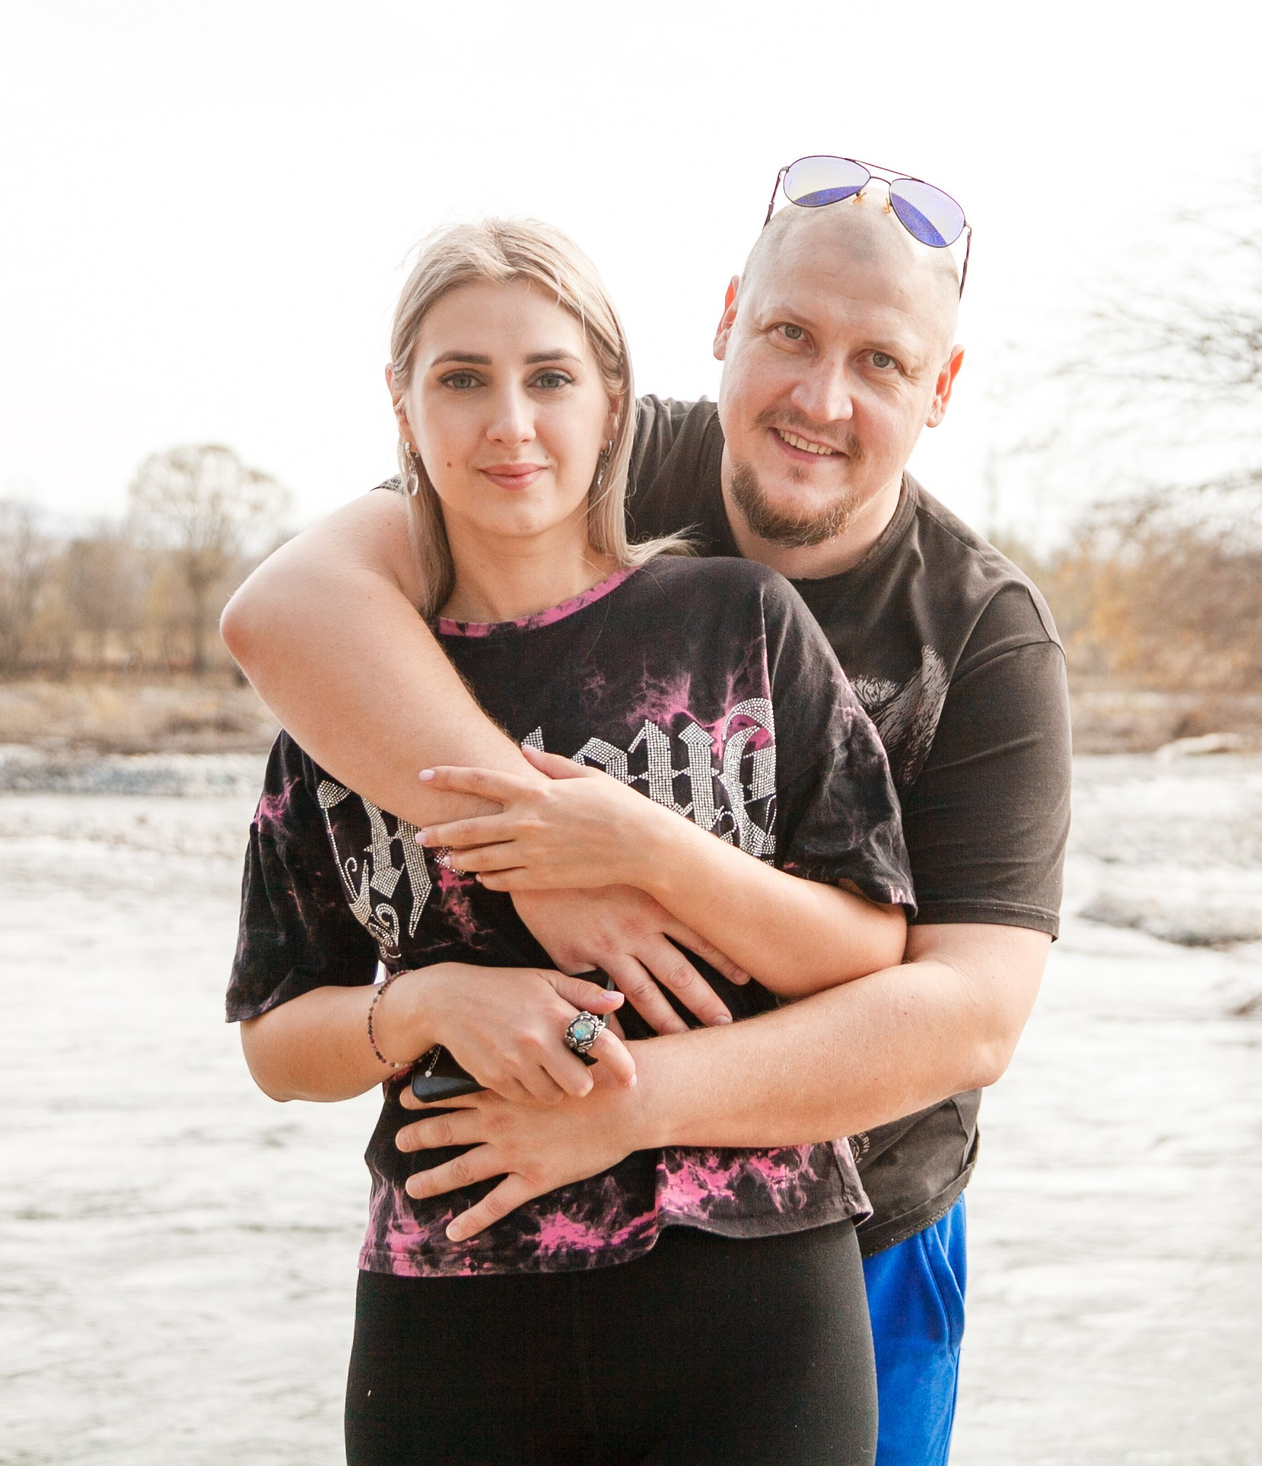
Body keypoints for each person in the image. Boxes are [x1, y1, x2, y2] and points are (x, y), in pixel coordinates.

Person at [224, 156, 1074, 1466]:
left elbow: (961, 1014)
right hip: (493, 1258)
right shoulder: (574, 450)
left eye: (883, 363)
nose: (820, 398)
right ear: (729, 319)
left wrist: (630, 1060)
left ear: (941, 389)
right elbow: (290, 612)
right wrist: (527, 851)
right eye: (790, 334)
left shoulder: (982, 634)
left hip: (859, 1224)